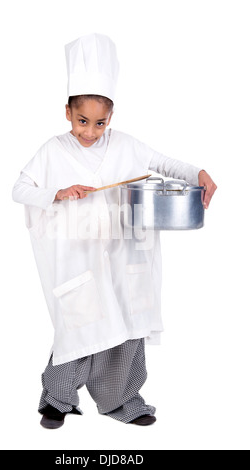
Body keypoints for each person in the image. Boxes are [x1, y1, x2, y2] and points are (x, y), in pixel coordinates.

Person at [12, 33, 217, 429]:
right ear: (68, 113)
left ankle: (121, 400)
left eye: (100, 123)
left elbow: (167, 165)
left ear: (112, 117)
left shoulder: (126, 146)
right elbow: (19, 189)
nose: (91, 131)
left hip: (126, 256)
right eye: (83, 121)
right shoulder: (52, 151)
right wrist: (57, 192)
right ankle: (57, 398)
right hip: (76, 257)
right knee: (79, 324)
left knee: (126, 325)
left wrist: (200, 173)